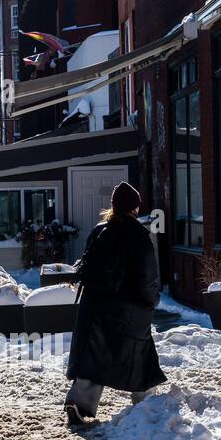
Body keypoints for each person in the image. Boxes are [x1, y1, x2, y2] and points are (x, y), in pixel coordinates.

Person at [64, 181, 166, 426]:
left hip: (95, 305)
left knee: (94, 355)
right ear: (135, 208)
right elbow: (147, 277)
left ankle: (78, 403)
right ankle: (145, 403)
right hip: (128, 309)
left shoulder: (100, 230)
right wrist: (151, 301)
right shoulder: (139, 236)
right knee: (139, 352)